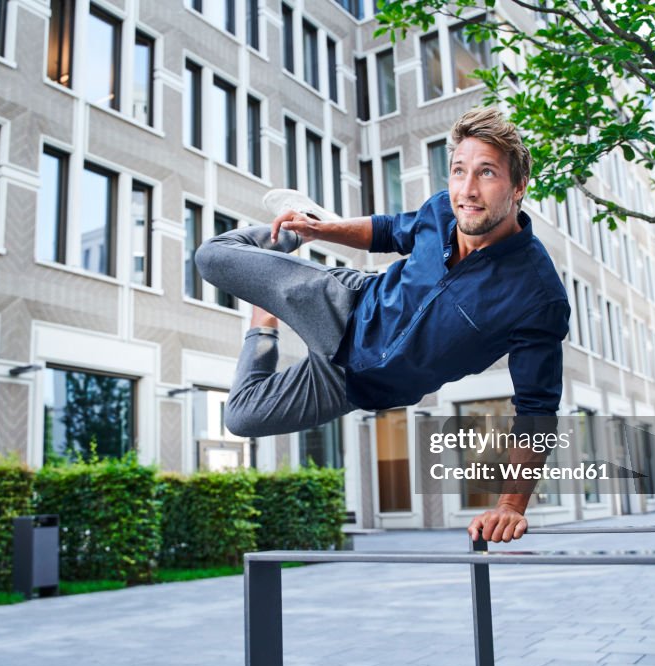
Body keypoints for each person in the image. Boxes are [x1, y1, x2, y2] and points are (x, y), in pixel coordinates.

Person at [194, 107, 570, 543]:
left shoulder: (537, 296)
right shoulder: (440, 213)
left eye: (486, 173)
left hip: (356, 384)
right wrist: (319, 231)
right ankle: (295, 231)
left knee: (240, 417)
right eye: (458, 171)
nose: (466, 190)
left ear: (518, 187)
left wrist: (510, 505)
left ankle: (264, 318)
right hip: (347, 308)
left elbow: (537, 411)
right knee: (212, 256)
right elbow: (390, 232)